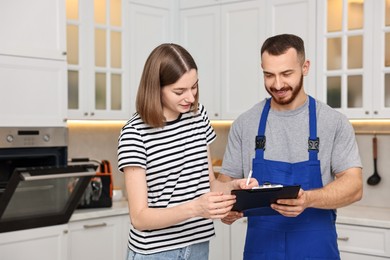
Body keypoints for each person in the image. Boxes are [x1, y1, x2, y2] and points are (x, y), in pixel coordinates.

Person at [217, 34, 363, 259]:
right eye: (269, 75)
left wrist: (308, 199)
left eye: (286, 74)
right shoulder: (245, 124)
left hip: (316, 250)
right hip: (262, 250)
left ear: (305, 67)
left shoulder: (333, 122)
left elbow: (354, 186)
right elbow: (225, 185)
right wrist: (226, 208)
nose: (277, 84)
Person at [117, 43, 257, 260]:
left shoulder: (198, 116)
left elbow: (208, 183)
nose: (191, 98)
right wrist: (195, 209)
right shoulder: (135, 133)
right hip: (156, 253)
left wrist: (233, 187)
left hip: (198, 245)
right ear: (156, 88)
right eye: (179, 91)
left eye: (194, 87)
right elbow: (140, 218)